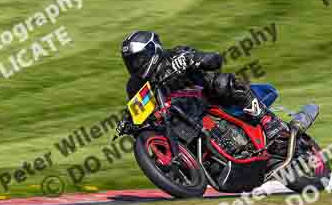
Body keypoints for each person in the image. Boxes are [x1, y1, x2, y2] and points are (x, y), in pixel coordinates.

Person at [119, 30, 287, 140]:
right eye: (130, 62)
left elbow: (215, 60)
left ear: (152, 51)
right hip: (179, 121)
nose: (135, 65)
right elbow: (140, 114)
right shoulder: (134, 86)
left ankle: (269, 121)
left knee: (221, 82)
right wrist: (128, 122)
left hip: (207, 99)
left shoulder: (176, 54)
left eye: (138, 59)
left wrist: (194, 59)